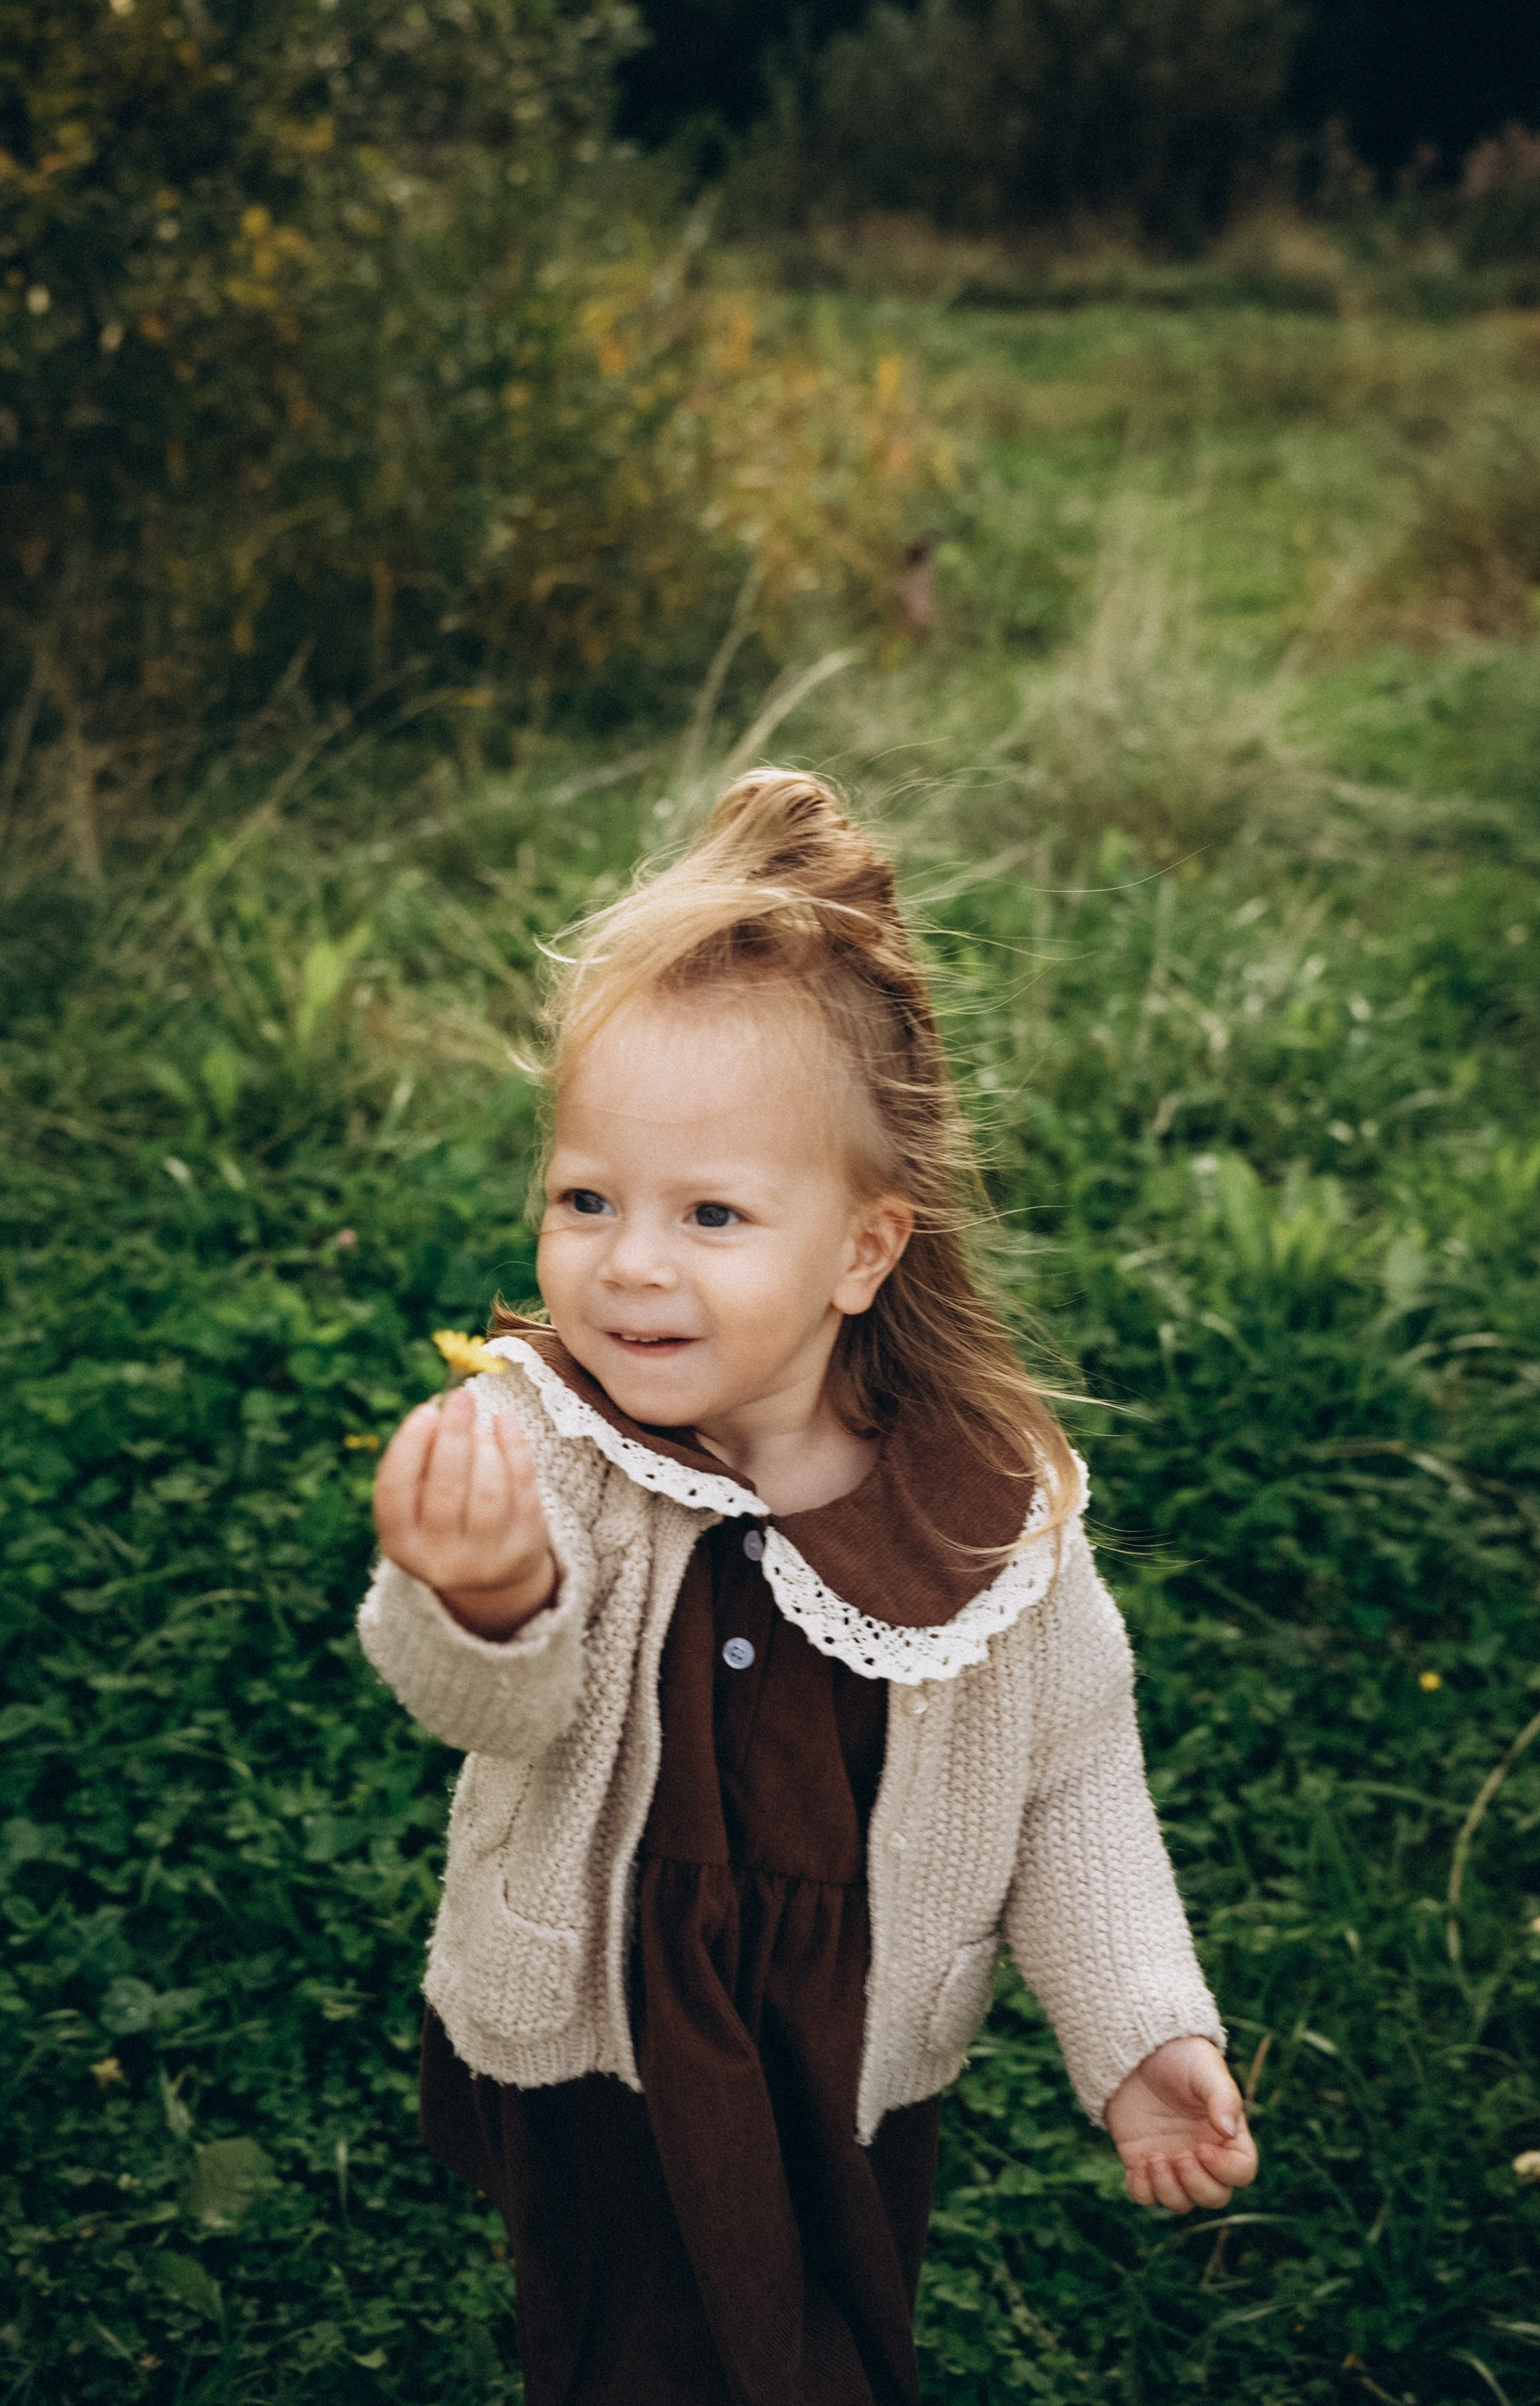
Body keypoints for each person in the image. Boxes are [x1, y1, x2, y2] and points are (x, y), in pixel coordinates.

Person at [360, 768, 1257, 2405]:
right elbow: (491, 1709)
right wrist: (480, 1595)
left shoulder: (981, 1509)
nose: (631, 1262)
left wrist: (1138, 2026)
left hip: (847, 2057)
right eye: (587, 1200)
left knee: (833, 2316)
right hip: (612, 2029)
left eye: (711, 1214)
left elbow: (1073, 1776)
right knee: (655, 2350)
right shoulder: (547, 1443)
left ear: (861, 1250)